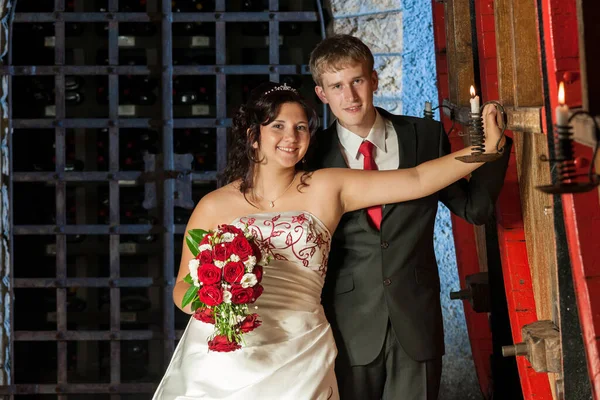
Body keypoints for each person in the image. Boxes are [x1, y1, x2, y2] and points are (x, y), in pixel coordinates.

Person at [152, 80, 504, 400]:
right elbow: (182, 286)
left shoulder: (327, 185)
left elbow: (416, 178)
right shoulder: (214, 205)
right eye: (278, 126)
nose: (291, 137)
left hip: (299, 347)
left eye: (301, 127)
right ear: (252, 135)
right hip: (227, 353)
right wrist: (219, 307)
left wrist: (485, 149)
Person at [309, 34, 511, 400]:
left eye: (356, 81)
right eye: (336, 86)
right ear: (322, 93)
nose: (349, 96)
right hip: (346, 326)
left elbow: (475, 209)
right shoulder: (312, 155)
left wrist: (494, 148)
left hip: (415, 321)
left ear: (374, 79)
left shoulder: (425, 136)